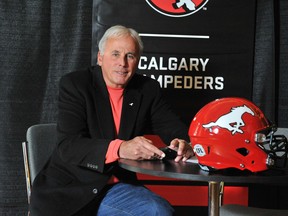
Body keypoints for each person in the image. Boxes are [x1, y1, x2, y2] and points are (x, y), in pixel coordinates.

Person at [30, 25, 194, 216]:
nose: (122, 63)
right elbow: (69, 146)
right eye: (115, 54)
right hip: (70, 190)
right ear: (100, 57)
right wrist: (121, 148)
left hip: (116, 188)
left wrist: (183, 141)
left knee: (158, 211)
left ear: (138, 61)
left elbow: (171, 126)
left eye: (130, 56)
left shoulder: (147, 89)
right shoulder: (76, 84)